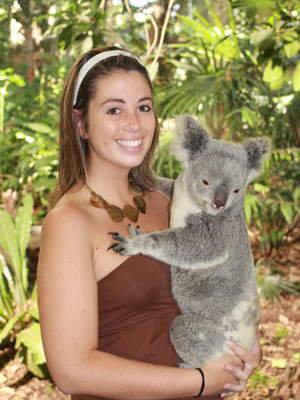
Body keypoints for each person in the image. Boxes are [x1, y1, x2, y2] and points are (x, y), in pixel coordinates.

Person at [37, 46, 261, 400]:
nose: (134, 124)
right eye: (114, 110)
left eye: (144, 107)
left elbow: (231, 281)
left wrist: (246, 348)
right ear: (81, 125)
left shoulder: (174, 198)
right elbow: (72, 370)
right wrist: (201, 382)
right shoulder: (69, 222)